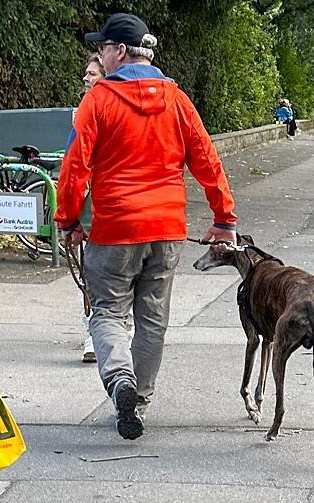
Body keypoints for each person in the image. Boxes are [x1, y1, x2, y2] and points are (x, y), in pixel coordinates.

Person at [55, 13, 237, 441]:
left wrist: (67, 221)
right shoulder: (176, 98)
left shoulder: (98, 100)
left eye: (102, 48)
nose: (99, 54)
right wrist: (223, 219)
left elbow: (75, 166)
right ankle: (139, 398)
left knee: (107, 312)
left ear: (119, 51)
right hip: (166, 226)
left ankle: (120, 381)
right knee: (152, 316)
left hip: (113, 227)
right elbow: (207, 160)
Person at [78, 54, 105, 364]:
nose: (86, 79)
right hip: (89, 209)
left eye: (93, 74)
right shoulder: (81, 112)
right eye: (86, 73)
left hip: (111, 209)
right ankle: (92, 331)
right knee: (89, 273)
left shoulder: (107, 109)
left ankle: (114, 330)